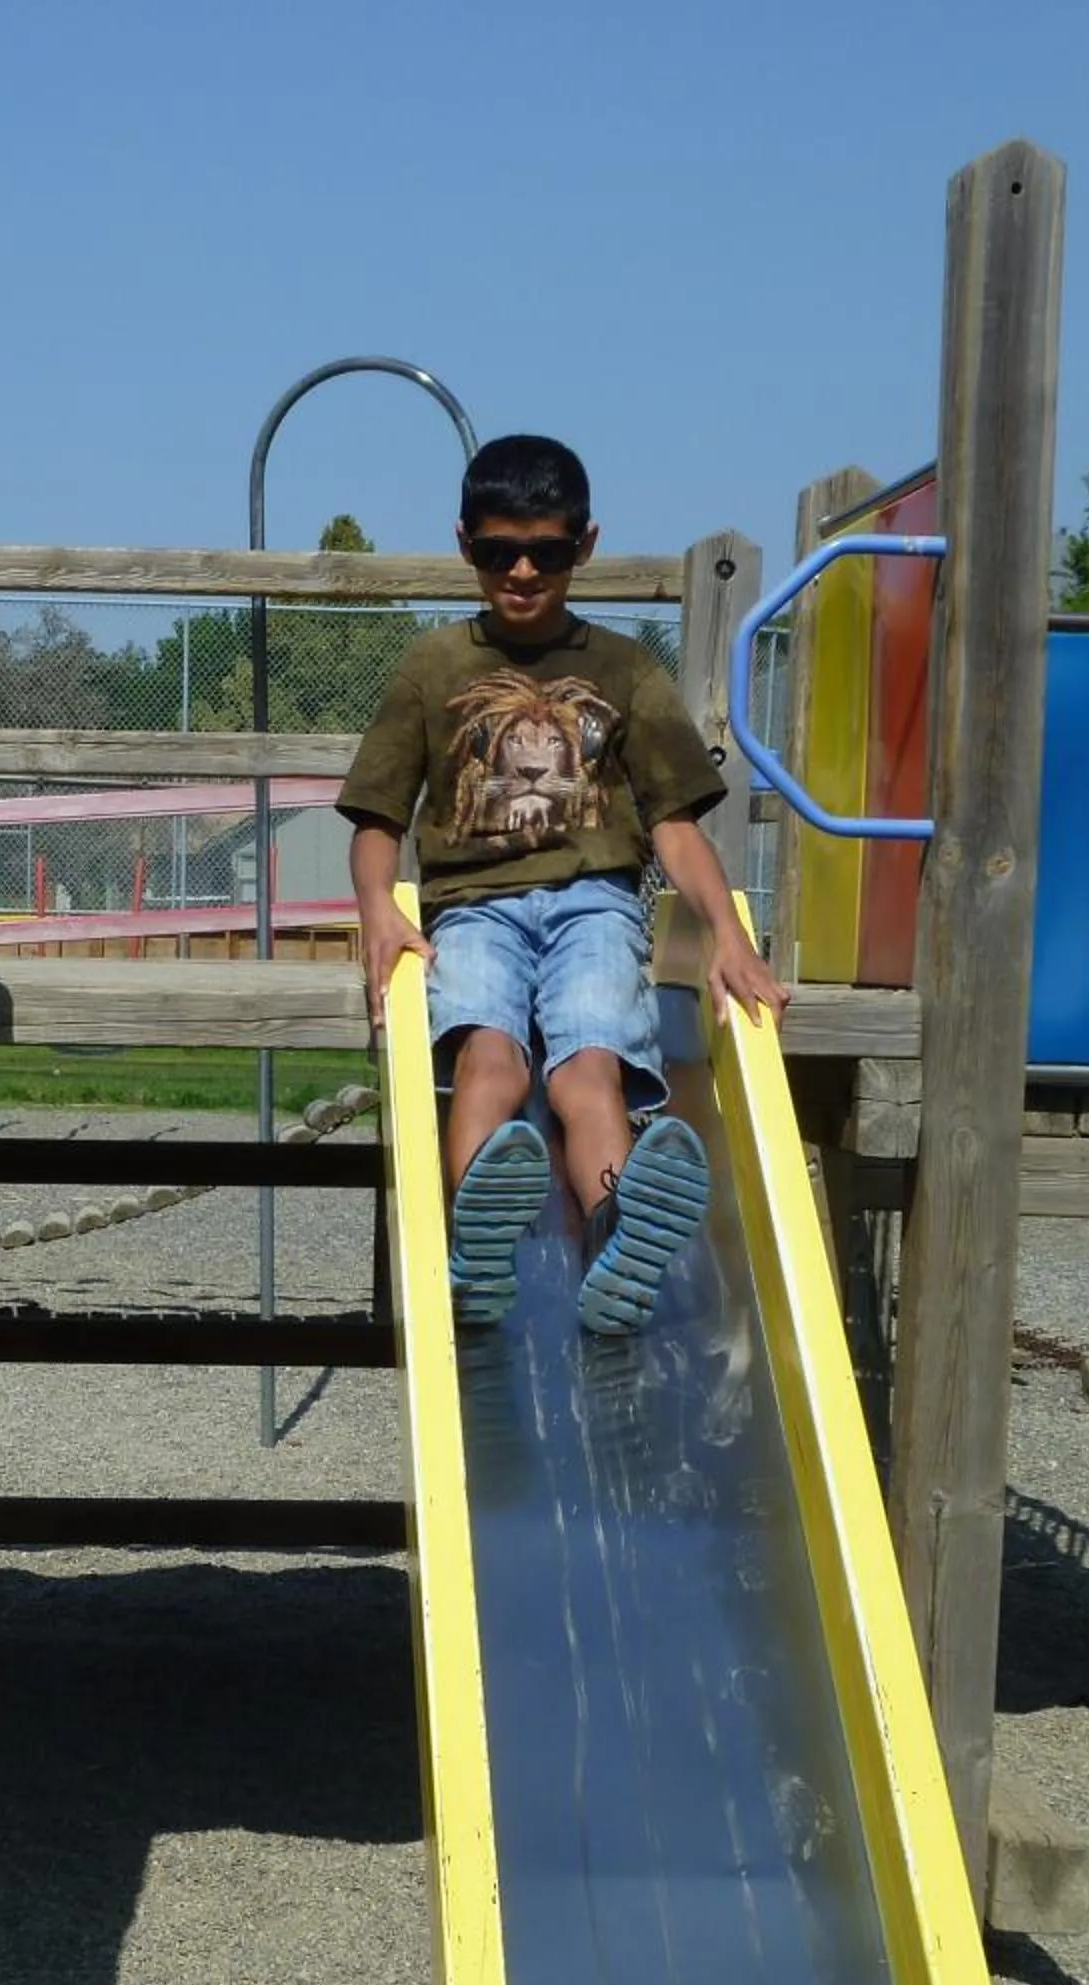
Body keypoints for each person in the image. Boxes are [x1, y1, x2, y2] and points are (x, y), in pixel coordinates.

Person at [337, 434, 786, 1334]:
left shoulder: (622, 669)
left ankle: (617, 1240)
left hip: (597, 904)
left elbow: (672, 822)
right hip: (471, 909)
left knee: (590, 1074)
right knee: (488, 1061)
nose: (525, 569)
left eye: (547, 549)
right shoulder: (433, 668)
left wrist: (728, 936)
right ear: (467, 545)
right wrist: (379, 916)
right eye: (502, 551)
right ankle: (473, 1248)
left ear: (585, 544)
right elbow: (378, 819)